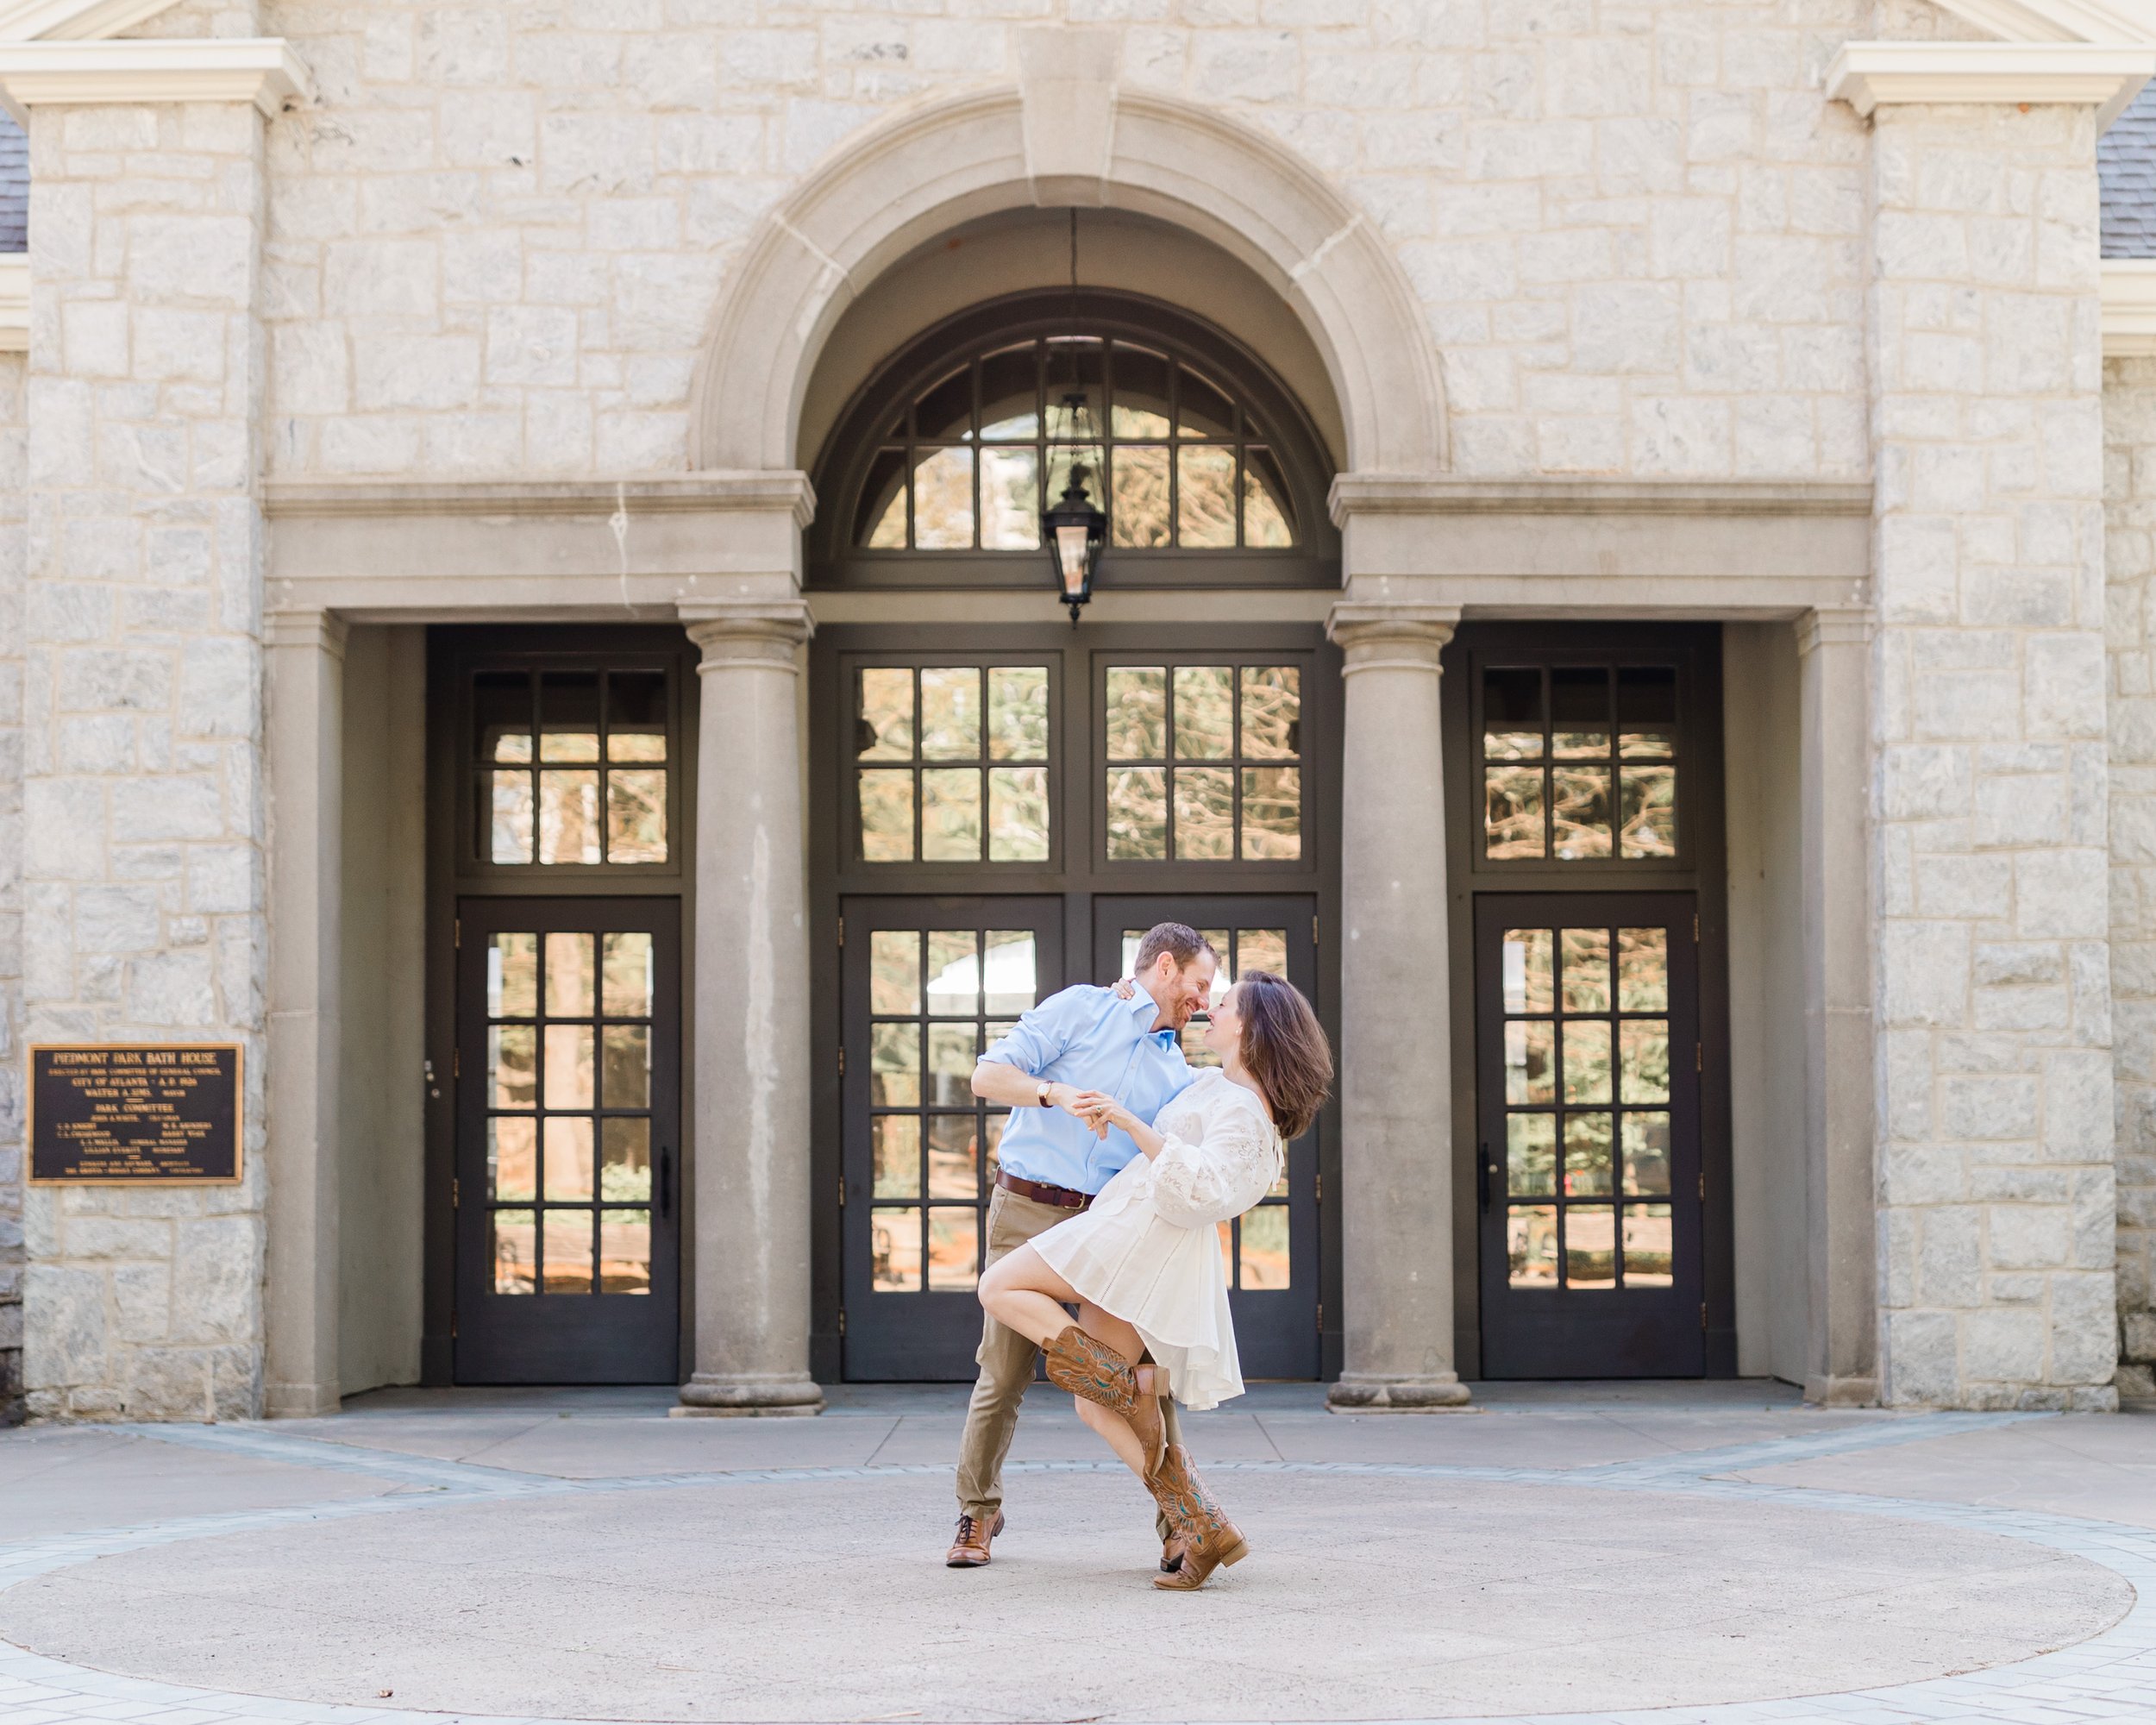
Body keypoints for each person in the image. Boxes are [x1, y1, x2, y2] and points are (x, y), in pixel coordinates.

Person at [978, 968, 1333, 1590]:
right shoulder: (1212, 1085)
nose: (1209, 1010)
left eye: (1222, 1004)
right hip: (1129, 1226)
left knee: (1000, 1287)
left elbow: (1206, 1190)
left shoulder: (1250, 1115)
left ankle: (1132, 1392)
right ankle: (1203, 1523)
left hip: (1138, 1236)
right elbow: (1145, 1072)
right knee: (1095, 1406)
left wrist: (1130, 1124)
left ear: (1250, 1027)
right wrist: (1124, 996)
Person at [946, 922, 1218, 1571]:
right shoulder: (1078, 1009)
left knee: (1144, 1377)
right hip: (1027, 1210)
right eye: (1199, 985)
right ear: (1166, 967)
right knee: (1004, 1370)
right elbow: (987, 1076)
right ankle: (977, 1513)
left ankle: (1180, 1525)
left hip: (1109, 1228)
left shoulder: (1175, 1067)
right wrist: (1053, 1092)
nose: (1202, 1002)